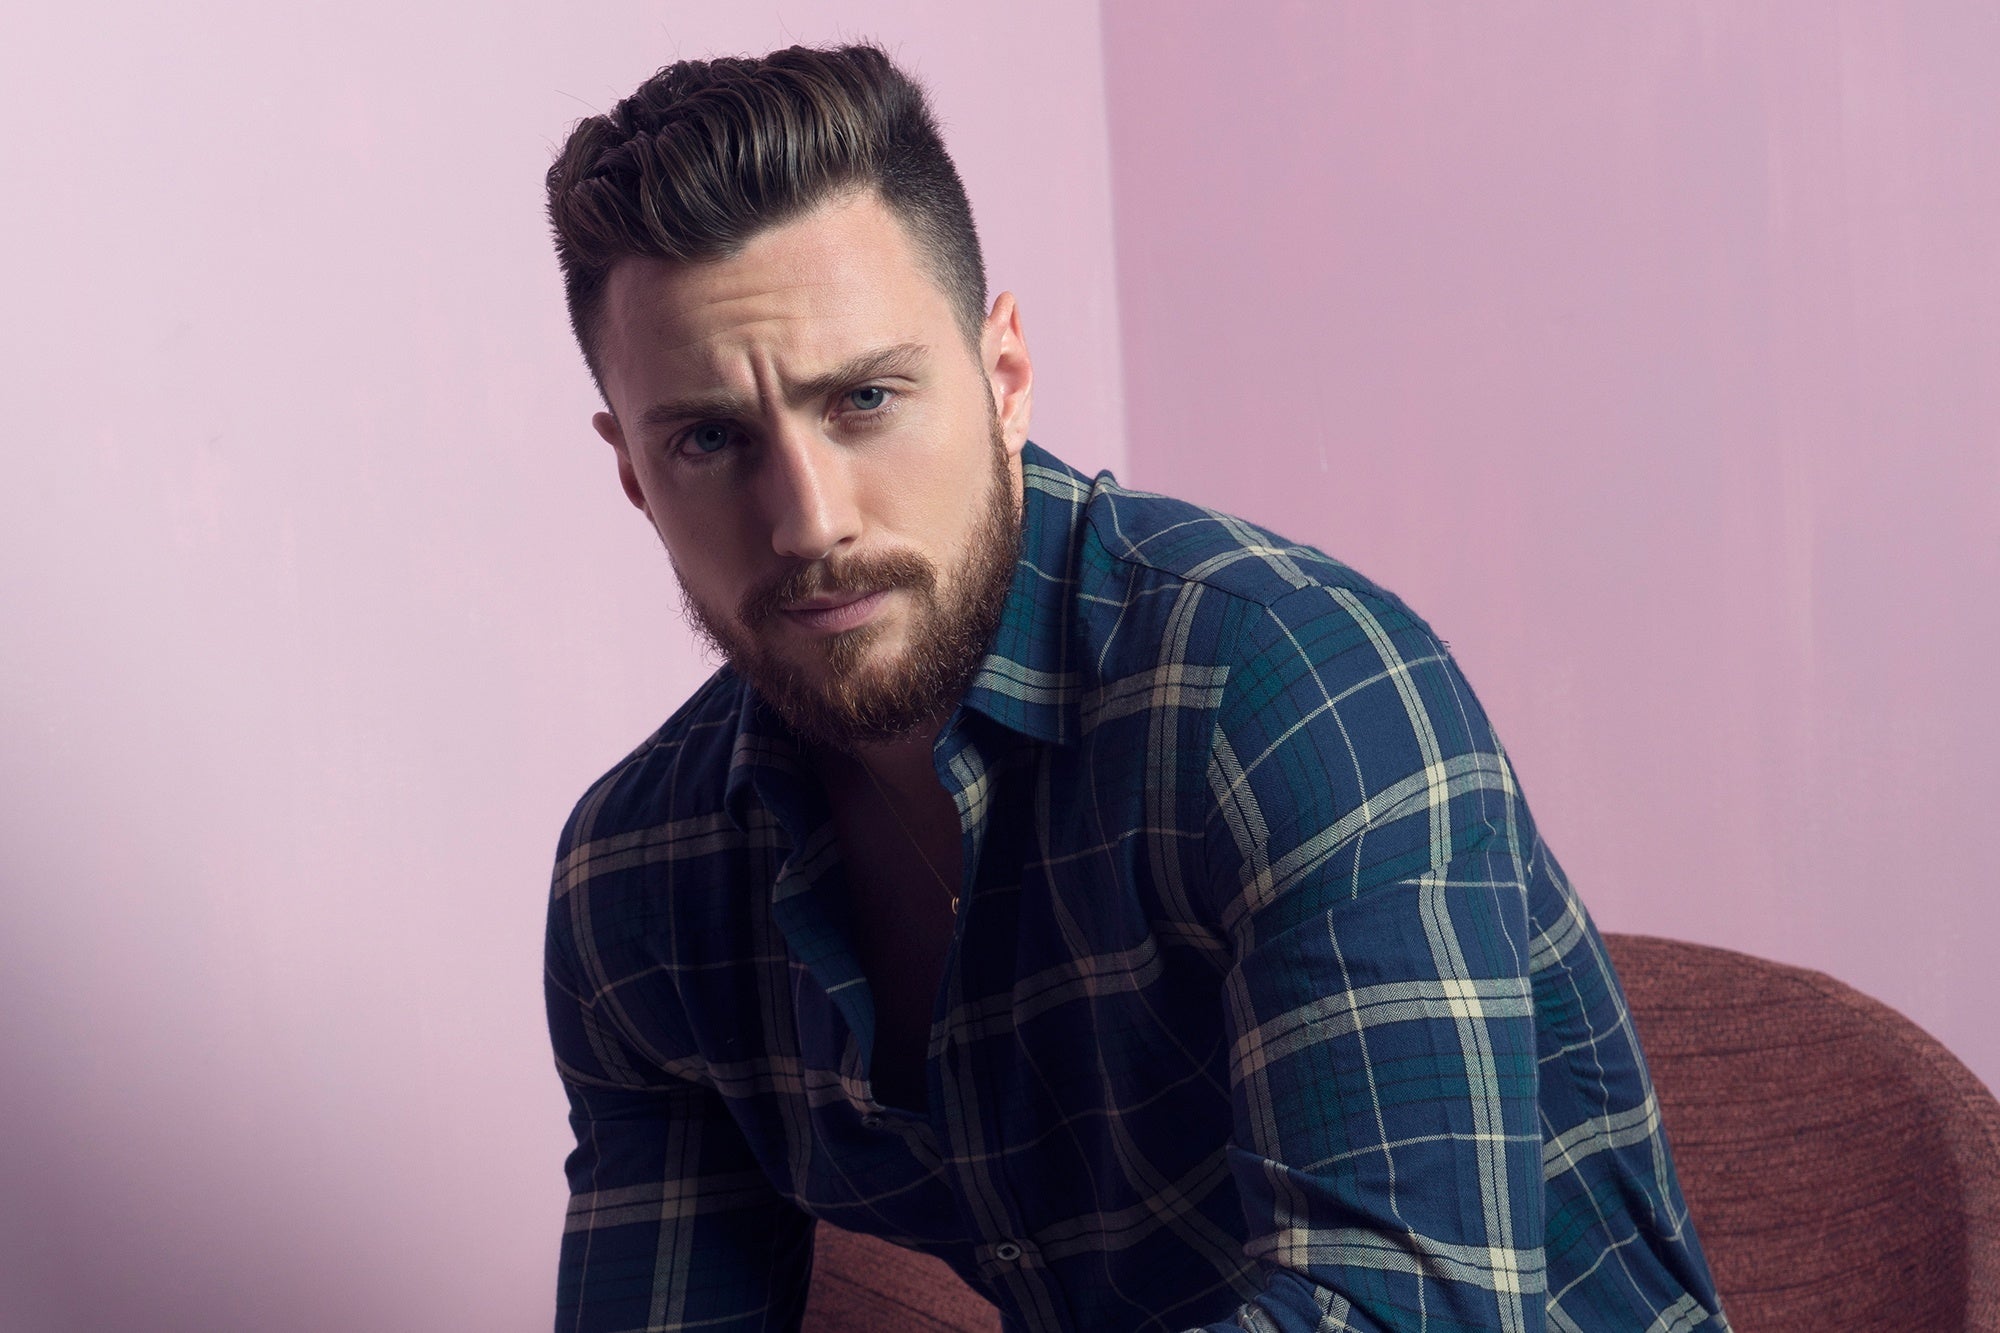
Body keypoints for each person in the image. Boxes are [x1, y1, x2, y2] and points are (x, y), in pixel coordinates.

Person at [540, 42, 1728, 1333]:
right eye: (710, 438)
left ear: (1003, 377)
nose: (807, 520)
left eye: (867, 398)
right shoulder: (641, 878)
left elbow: (1403, 1314)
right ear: (632, 472)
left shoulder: (1287, 685)